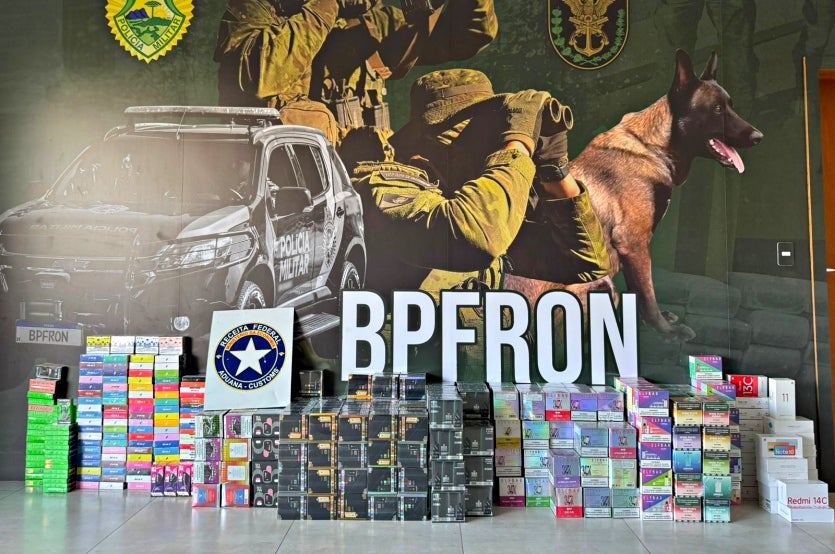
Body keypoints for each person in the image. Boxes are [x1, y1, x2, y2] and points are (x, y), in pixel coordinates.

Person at [214, 0, 498, 131]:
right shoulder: (255, 9)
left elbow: (468, 37)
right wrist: (329, 4)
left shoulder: (373, 22)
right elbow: (261, 76)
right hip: (284, 182)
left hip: (358, 178)